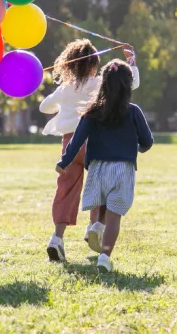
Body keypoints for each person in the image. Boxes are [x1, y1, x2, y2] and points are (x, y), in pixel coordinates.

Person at [40, 39, 139, 262]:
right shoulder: (99, 84)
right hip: (95, 143)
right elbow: (130, 84)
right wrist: (131, 62)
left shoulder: (65, 89)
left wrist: (63, 100)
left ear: (70, 66)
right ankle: (94, 226)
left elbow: (43, 107)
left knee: (66, 190)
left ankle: (57, 238)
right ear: (94, 65)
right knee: (101, 186)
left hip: (69, 145)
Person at [56, 60, 153, 272]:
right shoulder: (134, 111)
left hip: (98, 168)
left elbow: (77, 140)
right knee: (114, 215)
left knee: (102, 203)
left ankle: (96, 226)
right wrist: (139, 148)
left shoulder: (92, 112)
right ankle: (104, 257)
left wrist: (64, 162)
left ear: (103, 84)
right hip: (123, 169)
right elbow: (147, 141)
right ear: (128, 85)